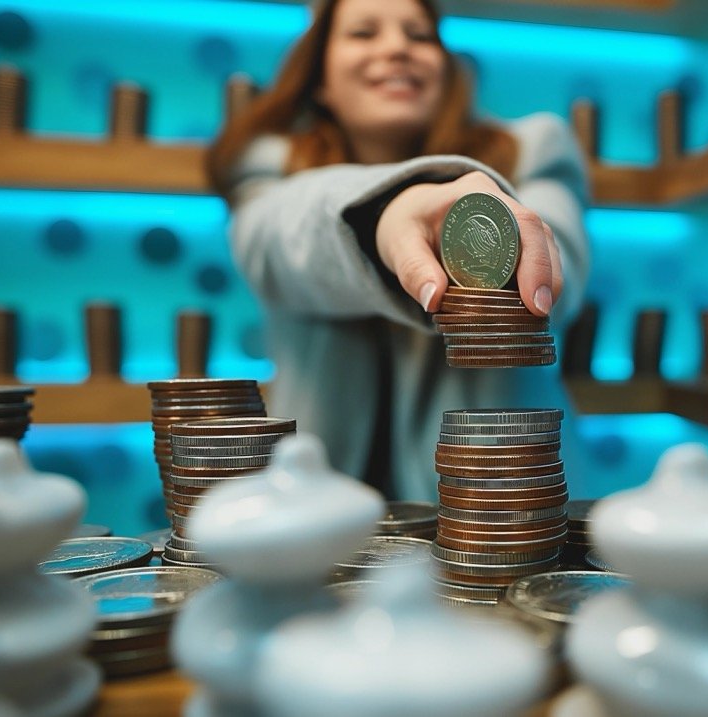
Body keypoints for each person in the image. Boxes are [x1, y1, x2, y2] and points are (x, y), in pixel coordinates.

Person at [207, 0, 590, 502]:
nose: (396, 48)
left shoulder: (533, 147)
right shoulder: (270, 167)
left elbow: (563, 266)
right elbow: (270, 242)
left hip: (502, 507)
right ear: (320, 77)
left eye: (419, 35)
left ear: (446, 69)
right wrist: (386, 215)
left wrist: (481, 227)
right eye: (364, 33)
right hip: (320, 511)